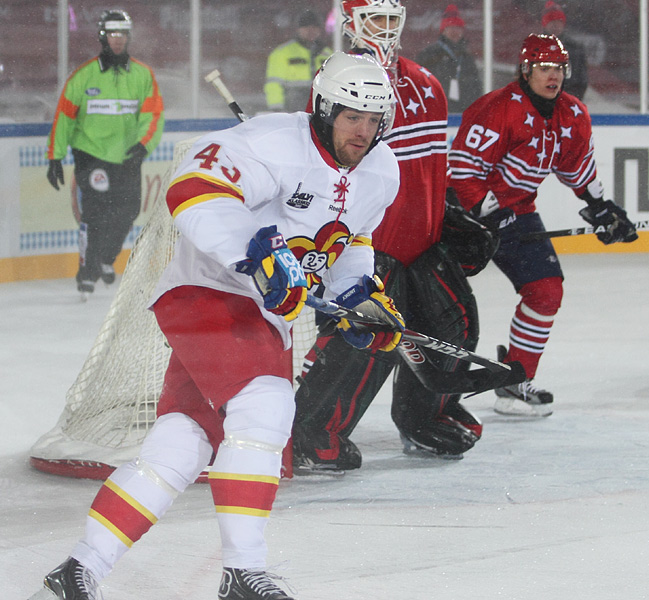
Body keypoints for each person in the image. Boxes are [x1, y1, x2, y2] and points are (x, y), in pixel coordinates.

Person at [27, 52, 404, 600]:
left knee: (183, 445)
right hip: (208, 293)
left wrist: (359, 294)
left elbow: (351, 241)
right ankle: (243, 574)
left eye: (374, 121)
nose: (363, 132)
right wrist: (256, 254)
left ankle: (77, 570)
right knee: (268, 405)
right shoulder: (272, 142)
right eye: (352, 117)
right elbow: (191, 191)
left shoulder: (381, 170)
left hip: (263, 317)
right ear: (324, 109)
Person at [292, 0, 522, 474]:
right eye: (375, 18)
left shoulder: (427, 84)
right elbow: (325, 167)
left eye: (392, 18)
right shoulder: (339, 83)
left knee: (453, 322)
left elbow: (432, 166)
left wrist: (448, 214)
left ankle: (424, 416)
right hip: (368, 245)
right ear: (352, 23)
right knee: (365, 345)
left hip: (424, 241)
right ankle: (315, 433)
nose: (386, 29)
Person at [448, 33, 638, 417]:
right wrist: (489, 213)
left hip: (515, 213)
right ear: (526, 70)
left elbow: (577, 168)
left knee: (546, 291)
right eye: (544, 68)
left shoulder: (572, 114)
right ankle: (431, 397)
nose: (553, 76)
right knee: (443, 308)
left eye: (559, 69)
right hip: (459, 217)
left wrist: (601, 206)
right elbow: (463, 170)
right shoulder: (497, 109)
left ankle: (515, 382)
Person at [46, 9, 164, 298]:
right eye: (112, 34)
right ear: (102, 36)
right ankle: (86, 273)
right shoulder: (83, 76)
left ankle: (105, 259)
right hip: (91, 154)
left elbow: (153, 115)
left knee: (127, 212)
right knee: (96, 212)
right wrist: (55, 156)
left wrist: (142, 146)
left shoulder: (142, 75)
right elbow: (64, 118)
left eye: (122, 34)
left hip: (127, 156)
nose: (118, 40)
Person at [415, 4, 483, 114]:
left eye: (457, 28)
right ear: (443, 30)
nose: (454, 32)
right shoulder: (429, 53)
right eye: (450, 28)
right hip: (436, 109)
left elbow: (476, 85)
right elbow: (418, 80)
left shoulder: (467, 57)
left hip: (463, 111)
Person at [264, 9, 332, 112]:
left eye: (315, 27)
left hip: (320, 110)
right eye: (306, 27)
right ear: (298, 29)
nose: (311, 30)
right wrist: (276, 108)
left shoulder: (328, 54)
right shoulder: (282, 53)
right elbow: (274, 83)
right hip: (291, 109)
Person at [541, 1, 588, 101]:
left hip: (567, 101)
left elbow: (581, 80)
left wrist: (572, 100)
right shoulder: (533, 47)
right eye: (552, 23)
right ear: (545, 24)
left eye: (558, 22)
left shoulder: (575, 48)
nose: (555, 26)